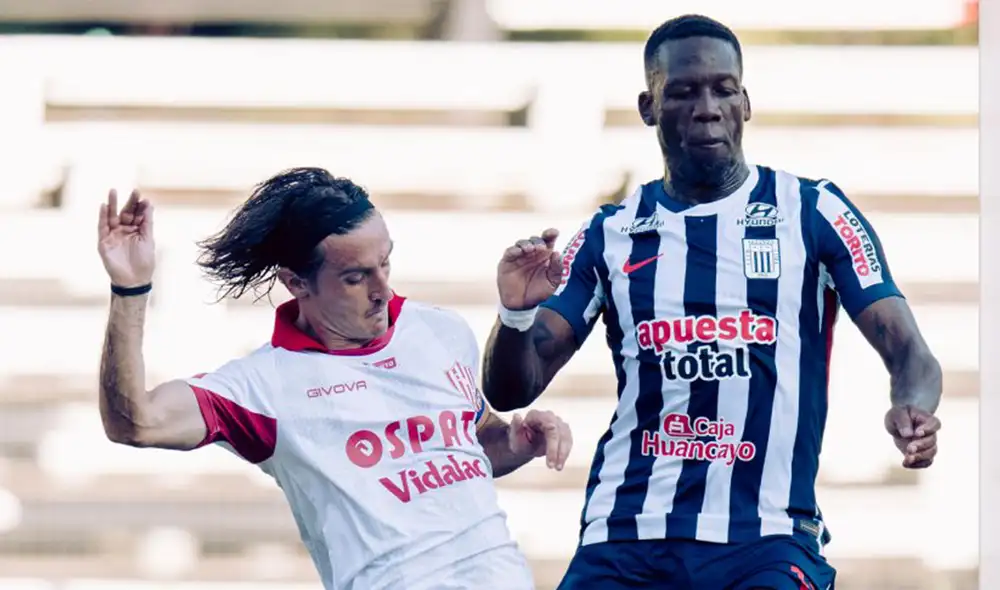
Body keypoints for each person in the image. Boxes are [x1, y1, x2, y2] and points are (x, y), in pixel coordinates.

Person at [481, 14, 943, 590]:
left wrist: (916, 407)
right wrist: (516, 315)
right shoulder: (608, 234)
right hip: (627, 535)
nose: (706, 107)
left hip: (766, 538)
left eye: (722, 89)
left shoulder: (813, 212)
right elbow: (511, 388)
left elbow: (907, 349)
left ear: (745, 102)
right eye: (682, 92)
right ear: (649, 107)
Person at [95, 167, 573, 590]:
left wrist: (515, 441)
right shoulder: (263, 387)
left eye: (385, 263)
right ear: (297, 283)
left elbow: (468, 444)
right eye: (355, 277)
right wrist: (130, 289)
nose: (383, 289)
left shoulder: (439, 330)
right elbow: (135, 422)